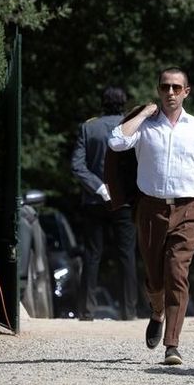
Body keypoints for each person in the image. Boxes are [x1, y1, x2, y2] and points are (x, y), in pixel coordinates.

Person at [108, 67, 194, 365]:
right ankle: (156, 311)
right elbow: (116, 142)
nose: (170, 93)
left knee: (177, 273)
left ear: (186, 92)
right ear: (158, 90)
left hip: (189, 209)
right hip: (151, 209)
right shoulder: (145, 125)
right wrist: (141, 114)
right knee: (154, 277)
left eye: (177, 88)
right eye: (165, 87)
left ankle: (172, 345)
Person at [71, 86, 138, 321]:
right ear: (124, 103)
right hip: (125, 202)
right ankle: (129, 311)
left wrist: (98, 187)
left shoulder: (89, 127)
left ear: (102, 103)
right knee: (127, 255)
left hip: (94, 200)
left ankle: (86, 311)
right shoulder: (134, 126)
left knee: (92, 254)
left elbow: (78, 166)